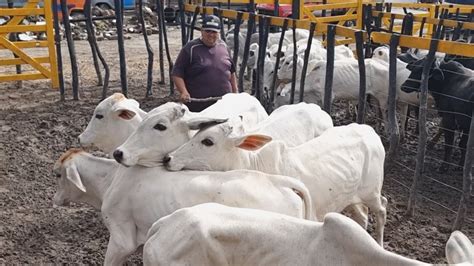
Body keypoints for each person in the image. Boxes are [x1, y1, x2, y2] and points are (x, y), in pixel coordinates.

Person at [171, 15, 238, 112]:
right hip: (198, 106)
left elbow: (231, 71)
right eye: (208, 31)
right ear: (201, 31)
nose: (211, 34)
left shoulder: (224, 47)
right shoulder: (191, 48)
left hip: (223, 105)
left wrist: (235, 91)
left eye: (214, 32)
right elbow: (177, 73)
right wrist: (183, 91)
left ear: (219, 32)